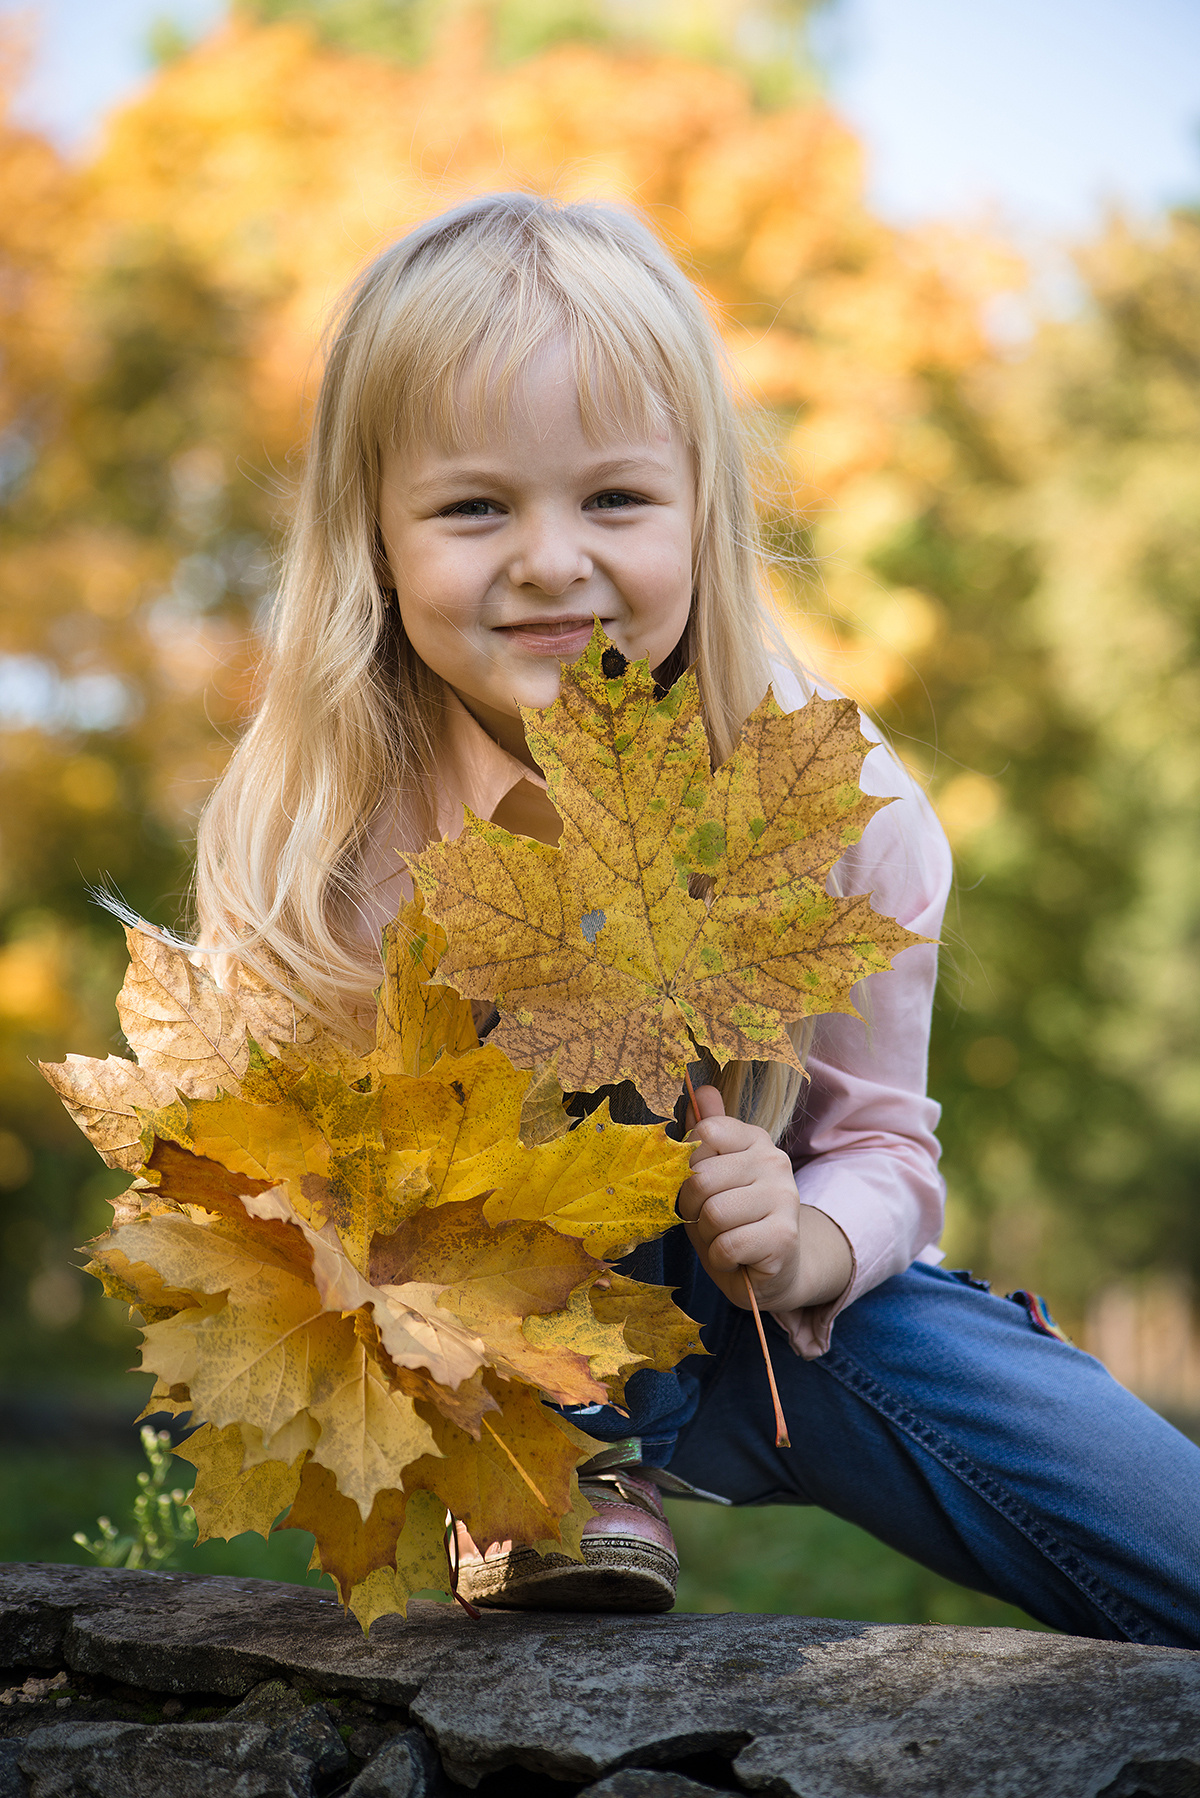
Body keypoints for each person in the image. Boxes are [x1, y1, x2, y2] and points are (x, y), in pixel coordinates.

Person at [193, 191, 1200, 1646]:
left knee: (1163, 1531)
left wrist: (801, 1240)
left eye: (612, 499)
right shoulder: (321, 832)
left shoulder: (838, 806)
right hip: (500, 1351)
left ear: (700, 511)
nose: (550, 560)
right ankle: (573, 1461)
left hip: (799, 1311)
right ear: (376, 535)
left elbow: (885, 1150)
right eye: (476, 506)